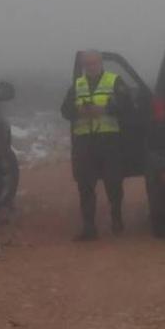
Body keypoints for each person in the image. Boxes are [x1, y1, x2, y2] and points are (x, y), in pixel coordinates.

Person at [61, 50, 134, 241]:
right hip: (84, 142)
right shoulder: (77, 85)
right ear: (84, 66)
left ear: (101, 63)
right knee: (85, 185)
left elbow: (128, 106)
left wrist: (106, 109)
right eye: (87, 64)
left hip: (109, 139)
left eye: (94, 63)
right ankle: (89, 227)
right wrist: (78, 111)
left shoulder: (114, 81)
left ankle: (116, 217)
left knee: (113, 182)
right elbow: (65, 110)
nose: (91, 67)